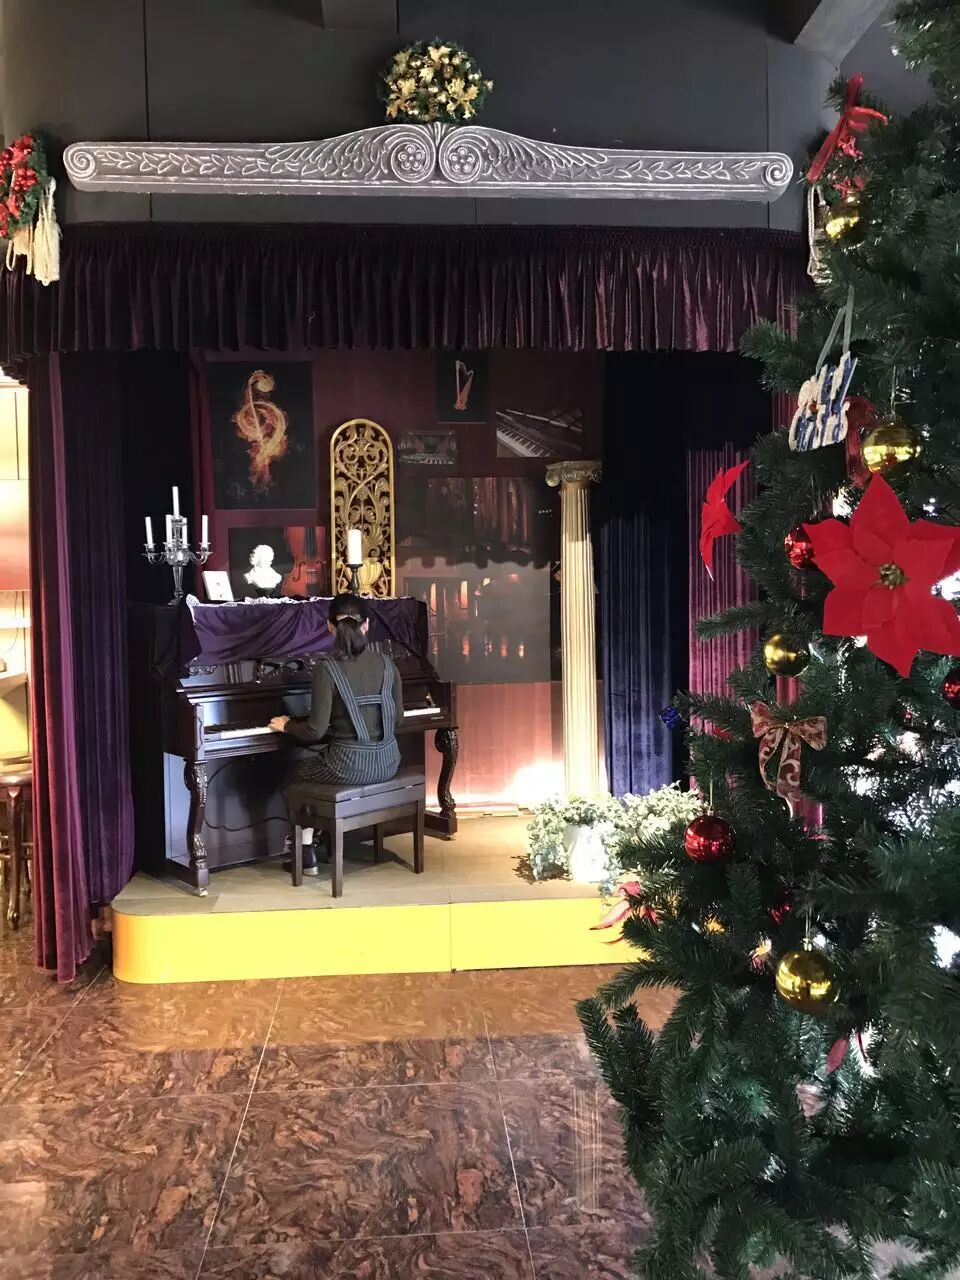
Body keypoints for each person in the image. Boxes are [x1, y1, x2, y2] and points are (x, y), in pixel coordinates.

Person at [268, 593, 404, 875]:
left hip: (348, 766)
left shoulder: (327, 668)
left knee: (295, 772)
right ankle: (329, 841)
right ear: (366, 625)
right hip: (389, 762)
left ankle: (305, 853)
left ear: (329, 626)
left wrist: (286, 725)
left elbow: (314, 730)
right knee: (318, 761)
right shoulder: (387, 663)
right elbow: (398, 718)